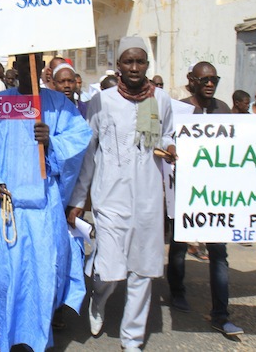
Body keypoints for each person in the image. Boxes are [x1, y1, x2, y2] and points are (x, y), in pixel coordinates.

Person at [0, 53, 91, 352]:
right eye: (22, 60)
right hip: (3, 210)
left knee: (41, 278)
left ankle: (35, 338)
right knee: (1, 278)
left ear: (41, 67)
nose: (27, 66)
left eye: (33, 60)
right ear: (16, 66)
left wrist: (52, 141)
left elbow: (78, 139)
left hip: (42, 213)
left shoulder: (58, 105)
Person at [67, 36, 177, 351]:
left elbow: (167, 133)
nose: (134, 67)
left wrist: (170, 147)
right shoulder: (102, 101)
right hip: (109, 198)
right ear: (118, 65)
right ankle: (98, 301)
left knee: (142, 270)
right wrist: (78, 200)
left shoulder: (161, 100)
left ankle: (132, 339)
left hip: (147, 200)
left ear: (146, 65)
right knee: (108, 269)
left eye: (139, 61)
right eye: (128, 61)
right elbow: (89, 154)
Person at [167, 62, 244, 336]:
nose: (210, 84)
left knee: (219, 253)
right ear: (192, 80)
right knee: (178, 247)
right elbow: (163, 143)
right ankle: (177, 290)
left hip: (214, 197)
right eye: (205, 79)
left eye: (214, 79)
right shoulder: (177, 109)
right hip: (184, 192)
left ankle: (221, 315)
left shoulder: (223, 110)